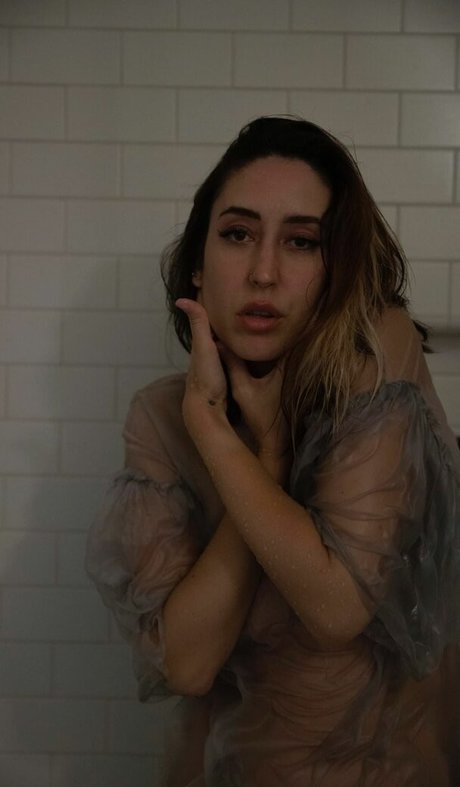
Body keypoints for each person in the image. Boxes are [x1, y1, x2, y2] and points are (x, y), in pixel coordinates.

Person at [86, 117, 460, 786]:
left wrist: (246, 442)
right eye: (237, 234)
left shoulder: (380, 353)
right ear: (198, 265)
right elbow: (188, 663)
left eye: (301, 242)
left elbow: (336, 606)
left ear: (337, 269)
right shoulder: (164, 416)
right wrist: (255, 451)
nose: (264, 273)